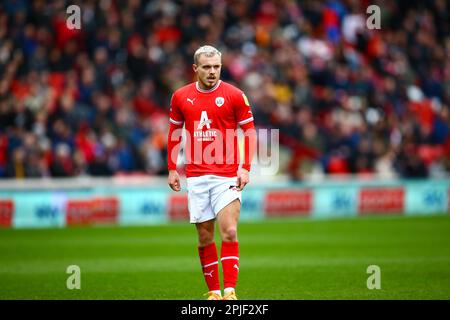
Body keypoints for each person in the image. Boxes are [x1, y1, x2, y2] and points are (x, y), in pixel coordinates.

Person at [167, 45, 256, 300]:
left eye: (216, 66)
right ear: (195, 69)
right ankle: (214, 292)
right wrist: (172, 168)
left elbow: (249, 132)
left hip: (227, 175)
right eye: (206, 67)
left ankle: (230, 291)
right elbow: (174, 133)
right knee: (205, 235)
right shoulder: (181, 96)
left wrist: (246, 168)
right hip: (196, 175)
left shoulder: (236, 95)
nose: (212, 71)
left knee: (229, 231)